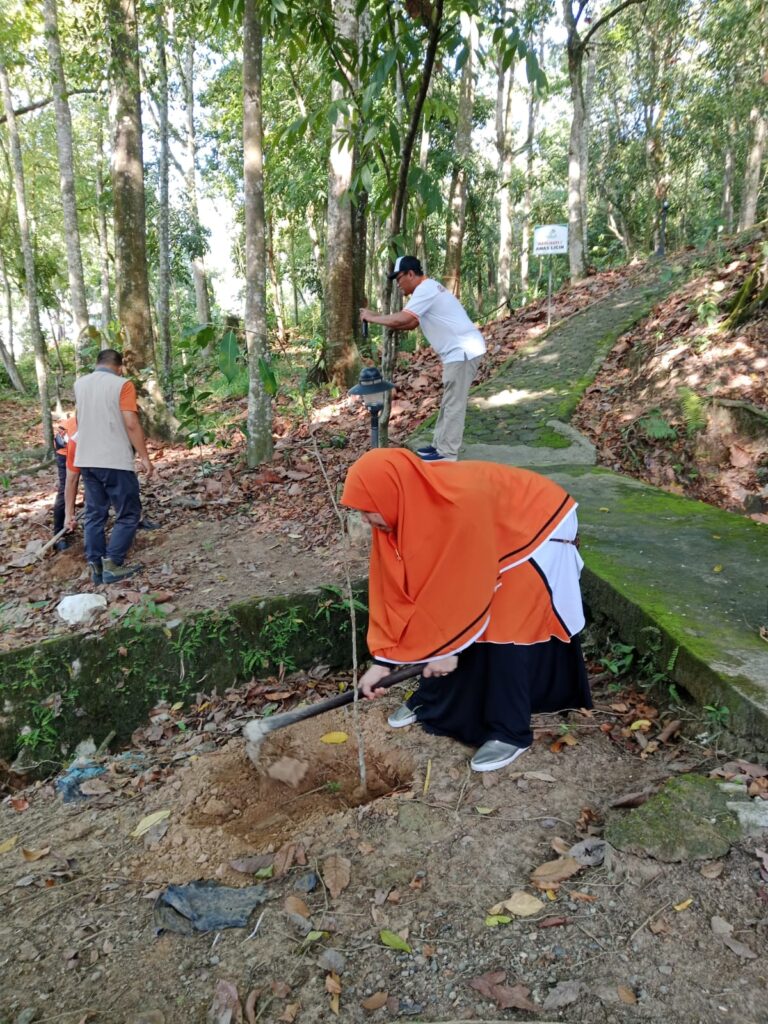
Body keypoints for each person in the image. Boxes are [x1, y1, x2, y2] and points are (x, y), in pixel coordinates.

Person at [341, 449, 592, 773]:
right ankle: (433, 700)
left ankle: (510, 732)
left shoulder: (457, 505)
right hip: (489, 536)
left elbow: (467, 586)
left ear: (391, 495)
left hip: (536, 529)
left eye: (367, 510)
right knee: (448, 620)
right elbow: (395, 590)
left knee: (503, 624)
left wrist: (448, 649)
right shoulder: (403, 513)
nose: (365, 520)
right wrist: (384, 661)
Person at [359, 255, 486, 462]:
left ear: (411, 274)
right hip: (459, 351)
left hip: (462, 351)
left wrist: (372, 317)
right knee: (449, 400)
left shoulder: (425, 289)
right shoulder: (426, 290)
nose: (398, 284)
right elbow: (410, 324)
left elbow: (405, 318)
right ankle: (439, 446)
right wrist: (378, 318)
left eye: (399, 278)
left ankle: (447, 453)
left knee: (454, 403)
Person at [73, 348, 153, 585]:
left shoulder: (80, 384)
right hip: (114, 460)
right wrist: (144, 456)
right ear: (119, 367)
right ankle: (113, 564)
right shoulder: (122, 384)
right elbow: (131, 422)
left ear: (98, 363)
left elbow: (79, 419)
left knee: (95, 513)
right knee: (128, 513)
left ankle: (95, 564)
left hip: (87, 459)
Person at [51, 414, 78, 551]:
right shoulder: (76, 425)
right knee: (66, 488)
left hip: (83, 446)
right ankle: (59, 533)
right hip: (66, 449)